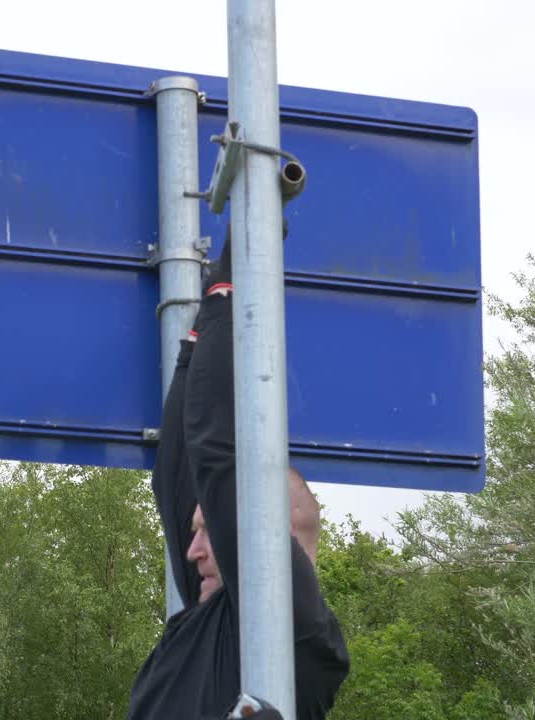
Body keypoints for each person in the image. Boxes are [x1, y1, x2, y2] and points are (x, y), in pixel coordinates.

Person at [127, 228, 349, 720]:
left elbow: (217, 452)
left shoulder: (299, 641)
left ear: (274, 537)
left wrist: (242, 256)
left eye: (210, 531)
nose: (191, 551)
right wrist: (201, 330)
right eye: (199, 531)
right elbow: (177, 471)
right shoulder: (205, 622)